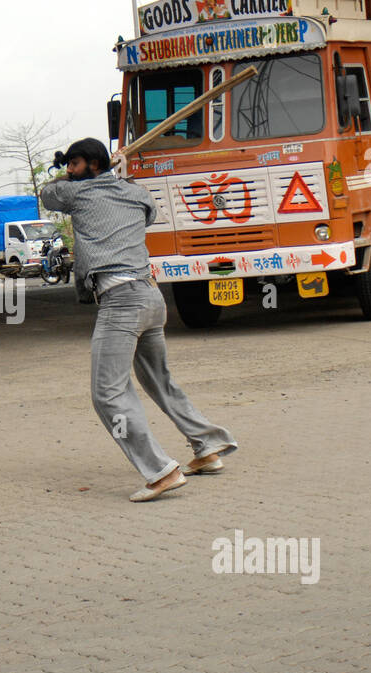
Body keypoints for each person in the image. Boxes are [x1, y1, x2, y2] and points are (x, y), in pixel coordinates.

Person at [40, 138, 238, 502]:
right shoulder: (136, 192)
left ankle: (161, 471)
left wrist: (75, 178)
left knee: (107, 394)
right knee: (159, 381)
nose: (68, 169)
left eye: (74, 163)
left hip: (120, 304)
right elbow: (149, 214)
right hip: (150, 297)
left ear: (94, 164)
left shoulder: (76, 195)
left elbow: (47, 194)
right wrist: (117, 177)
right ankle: (207, 447)